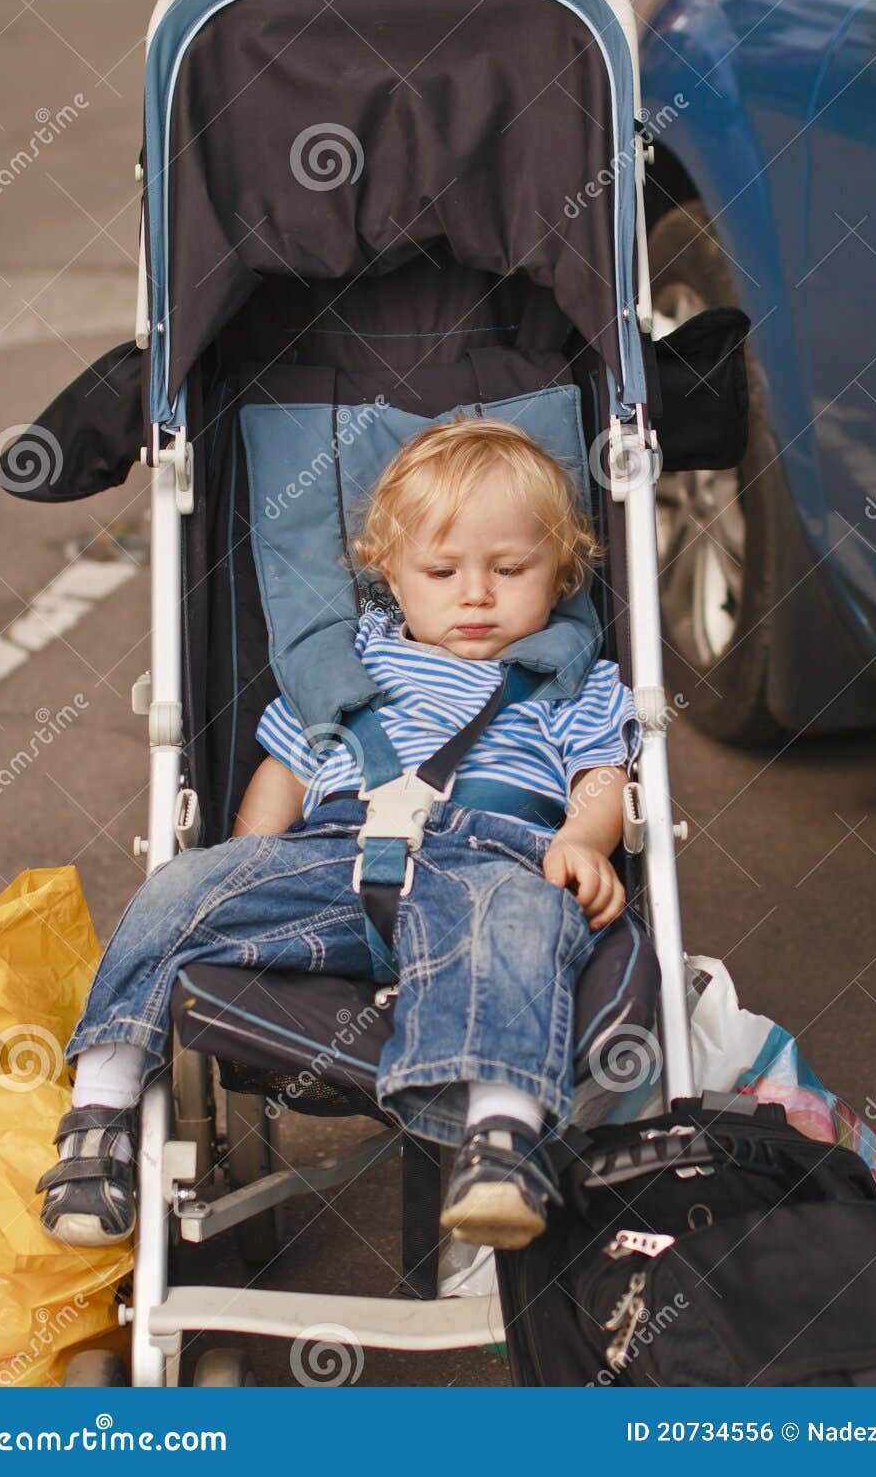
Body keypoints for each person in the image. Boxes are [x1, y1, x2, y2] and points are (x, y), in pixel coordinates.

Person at [36, 417, 639, 1252]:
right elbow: (284, 770)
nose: (475, 594)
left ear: (558, 572)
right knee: (178, 888)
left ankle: (499, 1136)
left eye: (509, 569)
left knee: (525, 921)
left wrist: (582, 838)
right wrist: (249, 855)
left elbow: (602, 776)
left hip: (490, 858)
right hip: (332, 854)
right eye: (442, 571)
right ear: (388, 574)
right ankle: (101, 1108)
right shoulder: (350, 667)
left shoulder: (572, 679)